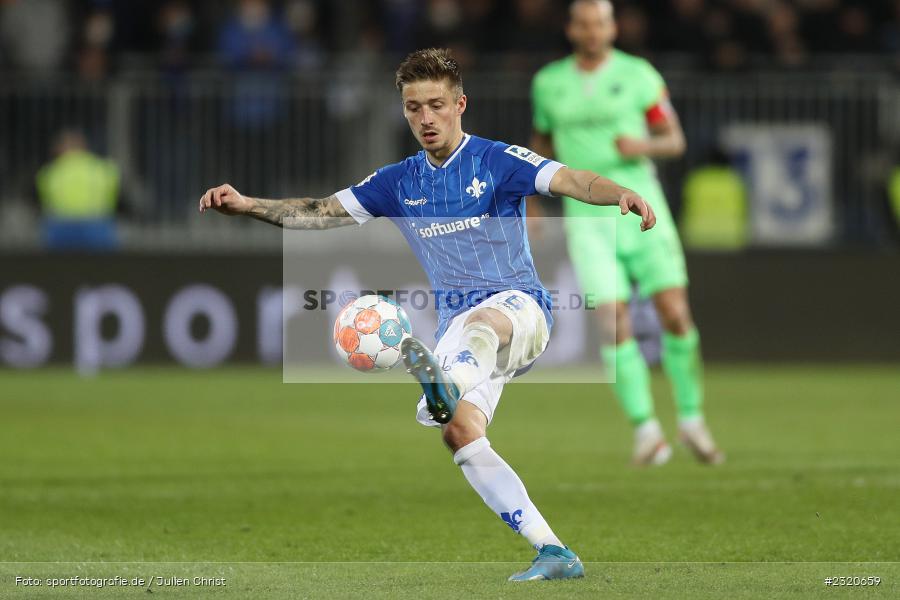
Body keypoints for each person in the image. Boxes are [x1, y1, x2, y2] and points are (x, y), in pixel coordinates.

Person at [199, 48, 656, 581]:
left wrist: (620, 192)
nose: (426, 118)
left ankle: (445, 383)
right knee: (459, 432)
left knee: (484, 327)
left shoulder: (497, 161)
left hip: (521, 308)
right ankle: (553, 552)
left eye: (436, 105)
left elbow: (574, 179)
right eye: (413, 108)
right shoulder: (398, 181)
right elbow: (321, 213)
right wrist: (250, 205)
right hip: (457, 327)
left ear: (460, 104)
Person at [529, 0, 723, 466]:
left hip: (642, 209)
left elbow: (674, 140)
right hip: (589, 219)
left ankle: (692, 420)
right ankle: (647, 431)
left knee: (675, 313)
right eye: (584, 23)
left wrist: (643, 145)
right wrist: (532, 199)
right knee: (612, 321)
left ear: (612, 27)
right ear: (572, 28)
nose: (593, 31)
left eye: (600, 23)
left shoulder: (640, 75)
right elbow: (542, 144)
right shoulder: (548, 83)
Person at [36, 129, 120, 251]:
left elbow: (46, 205)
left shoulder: (49, 173)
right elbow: (112, 202)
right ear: (84, 147)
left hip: (61, 229)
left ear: (60, 149)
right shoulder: (104, 169)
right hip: (96, 228)